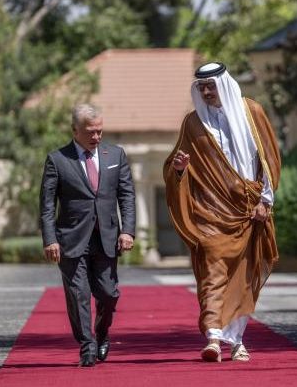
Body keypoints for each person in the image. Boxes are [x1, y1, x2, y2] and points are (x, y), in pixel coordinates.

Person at [163, 62, 281, 362]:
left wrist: (265, 202)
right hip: (211, 213)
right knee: (212, 271)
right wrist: (179, 169)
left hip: (249, 211)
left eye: (210, 86)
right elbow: (174, 167)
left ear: (224, 84)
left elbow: (269, 159)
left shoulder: (252, 113)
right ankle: (214, 337)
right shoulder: (193, 123)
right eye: (201, 87)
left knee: (243, 277)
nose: (205, 92)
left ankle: (237, 341)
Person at [39, 103, 136, 367]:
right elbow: (47, 205)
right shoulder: (57, 160)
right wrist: (50, 239)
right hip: (71, 240)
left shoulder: (115, 155)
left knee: (108, 293)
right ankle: (87, 346)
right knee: (78, 294)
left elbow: (126, 195)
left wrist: (128, 230)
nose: (96, 136)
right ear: (75, 130)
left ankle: (102, 333)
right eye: (91, 132)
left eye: (100, 131)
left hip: (107, 238)